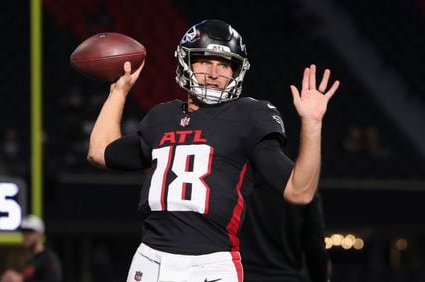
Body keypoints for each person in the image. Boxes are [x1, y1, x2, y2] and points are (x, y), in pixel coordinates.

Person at [87, 19, 339, 282]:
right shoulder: (162, 117)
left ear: (236, 72)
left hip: (211, 265)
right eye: (205, 60)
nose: (214, 72)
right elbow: (100, 152)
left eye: (225, 64)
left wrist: (312, 123)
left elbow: (300, 191)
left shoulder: (248, 115)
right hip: (150, 259)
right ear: (186, 62)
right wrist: (118, 91)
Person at [240, 174, 329, 281]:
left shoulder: (228, 179)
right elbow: (316, 249)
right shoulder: (302, 182)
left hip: (240, 275)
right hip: (287, 276)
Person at [0, 215, 62, 282]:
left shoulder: (48, 258)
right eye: (24, 232)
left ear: (40, 234)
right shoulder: (29, 259)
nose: (26, 235)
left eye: (30, 232)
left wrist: (21, 280)